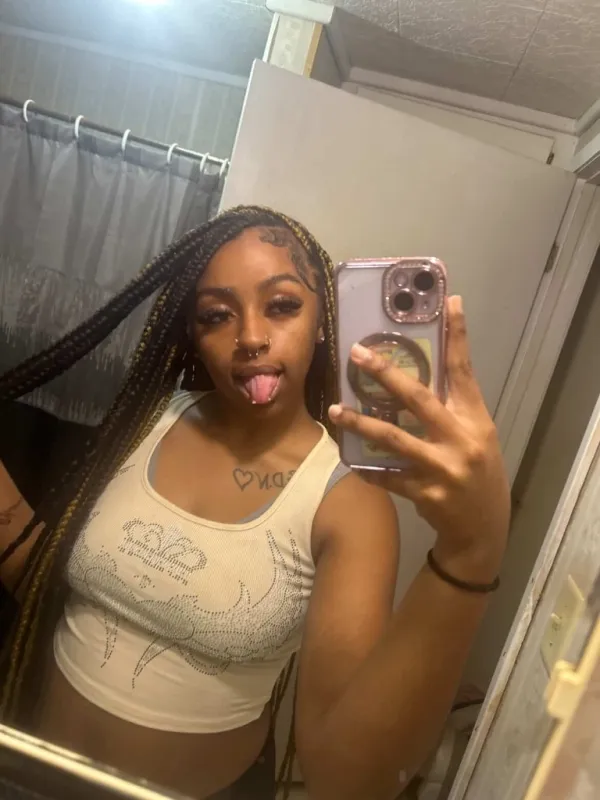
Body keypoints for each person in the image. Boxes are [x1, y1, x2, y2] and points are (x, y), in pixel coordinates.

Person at [0, 205, 510, 800]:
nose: (249, 337)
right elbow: (42, 578)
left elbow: (346, 782)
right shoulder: (142, 422)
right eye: (217, 315)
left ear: (323, 322)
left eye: (282, 305)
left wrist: (471, 550)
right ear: (193, 333)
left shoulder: (348, 500)